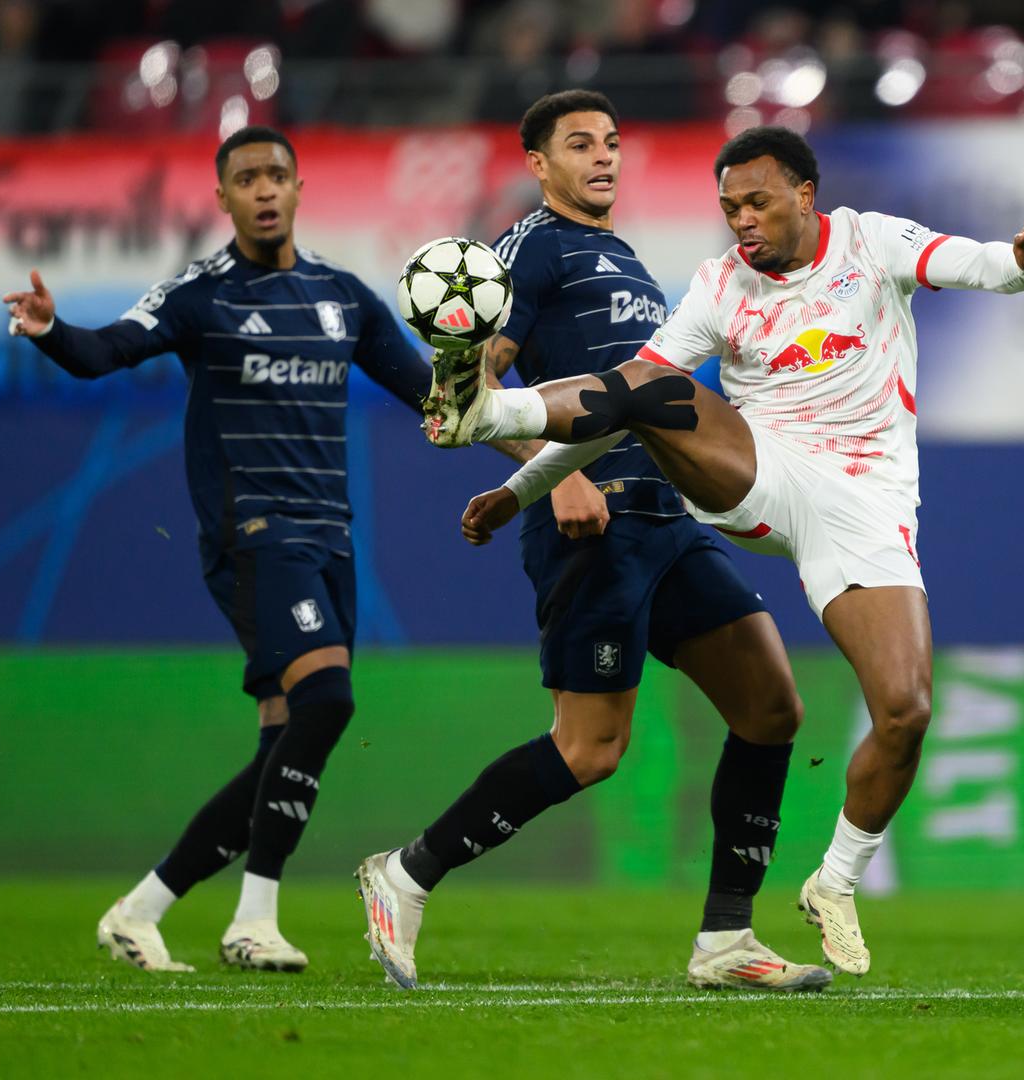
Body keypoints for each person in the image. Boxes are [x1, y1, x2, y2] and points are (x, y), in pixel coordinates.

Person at [421, 125, 1024, 976]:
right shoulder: (719, 285)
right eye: (728, 207)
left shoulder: (874, 243)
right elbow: (627, 397)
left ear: (806, 194)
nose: (742, 221)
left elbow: (988, 265)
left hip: (865, 508)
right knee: (657, 385)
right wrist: (522, 484)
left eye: (757, 202)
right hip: (761, 473)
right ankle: (483, 411)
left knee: (905, 710)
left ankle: (833, 884)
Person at [352, 91, 827, 993]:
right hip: (591, 521)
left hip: (666, 518)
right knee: (591, 750)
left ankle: (726, 940)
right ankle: (407, 872)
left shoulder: (627, 259)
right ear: (538, 163)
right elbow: (476, 388)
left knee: (770, 707)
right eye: (580, 144)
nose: (603, 156)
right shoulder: (529, 248)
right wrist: (551, 472)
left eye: (612, 141)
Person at [2, 126, 437, 974]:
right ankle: (254, 919)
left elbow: (429, 394)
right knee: (328, 703)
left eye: (278, 174)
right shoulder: (200, 296)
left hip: (329, 542)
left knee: (282, 741)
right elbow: (106, 352)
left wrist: (513, 414)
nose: (265, 189)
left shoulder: (342, 297)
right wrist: (55, 331)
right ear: (224, 199)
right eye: (248, 178)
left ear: (300, 187)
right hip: (254, 541)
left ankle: (141, 908)